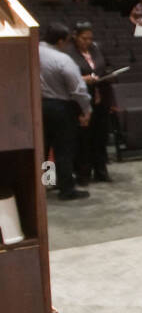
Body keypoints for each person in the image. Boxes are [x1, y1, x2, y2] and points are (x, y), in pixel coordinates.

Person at [38, 23, 92, 201]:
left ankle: (47, 182)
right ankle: (66, 188)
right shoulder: (62, 59)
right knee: (63, 149)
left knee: (43, 148)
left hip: (38, 106)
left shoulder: (31, 52)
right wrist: (86, 110)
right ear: (60, 41)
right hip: (60, 107)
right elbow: (78, 89)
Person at [66, 22, 115, 184]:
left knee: (100, 137)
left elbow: (107, 65)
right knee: (83, 139)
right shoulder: (69, 53)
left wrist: (108, 74)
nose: (87, 42)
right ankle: (83, 173)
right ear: (75, 36)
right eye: (84, 38)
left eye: (90, 38)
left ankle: (101, 171)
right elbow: (67, 78)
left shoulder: (96, 48)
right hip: (81, 102)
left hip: (101, 99)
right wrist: (83, 80)